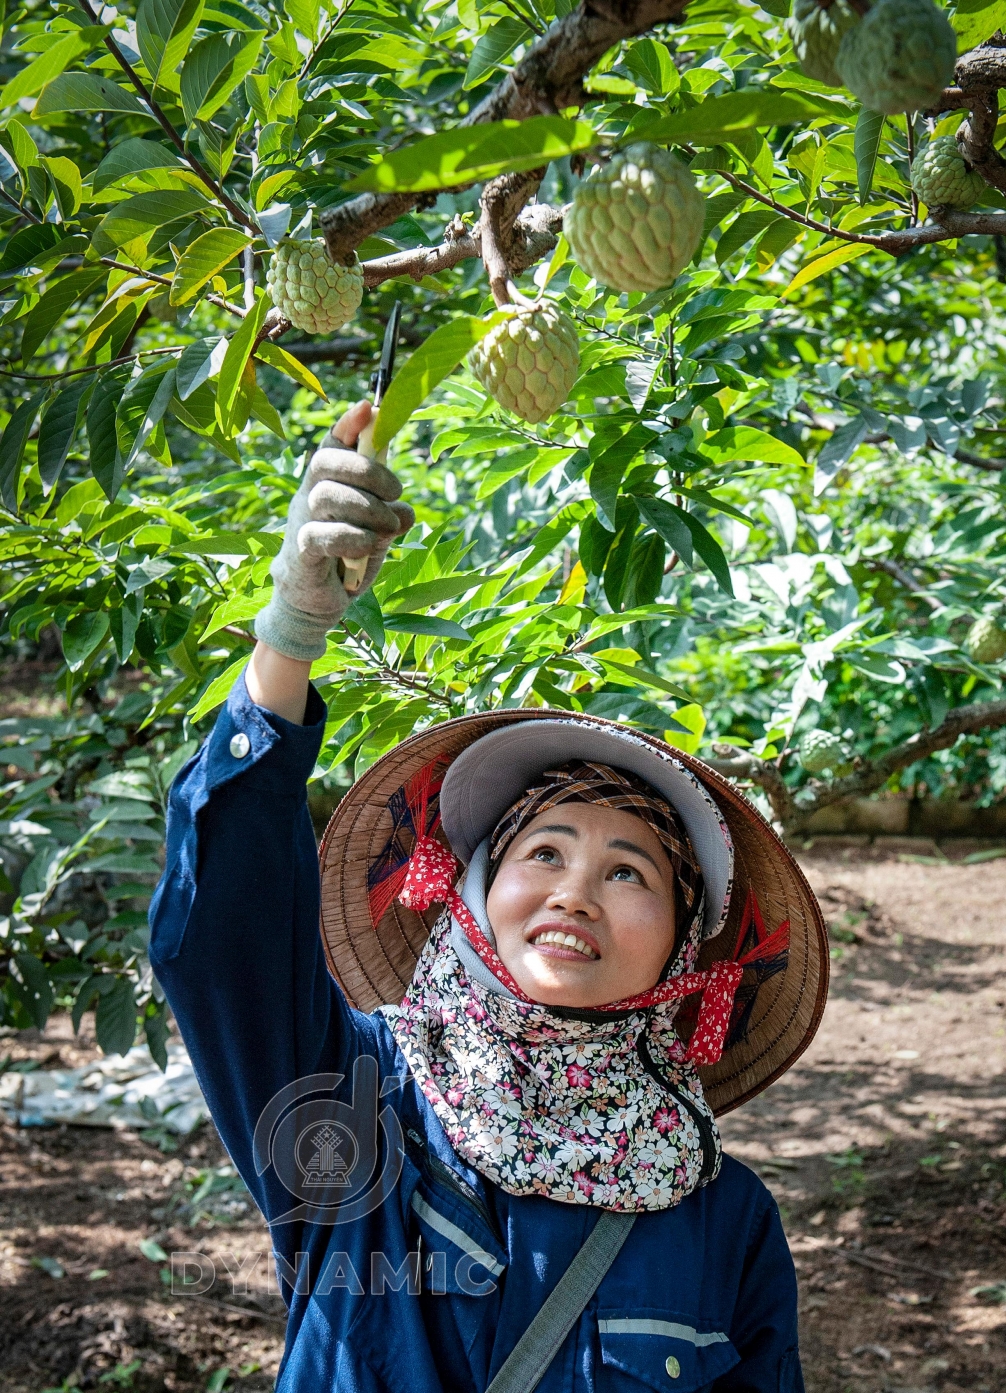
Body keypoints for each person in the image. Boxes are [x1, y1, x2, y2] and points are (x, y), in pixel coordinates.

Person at [150, 400, 828, 1393]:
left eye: (629, 871)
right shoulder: (356, 1102)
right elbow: (223, 934)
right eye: (543, 850)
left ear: (686, 951)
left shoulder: (722, 1217)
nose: (577, 892)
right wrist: (289, 635)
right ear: (471, 891)